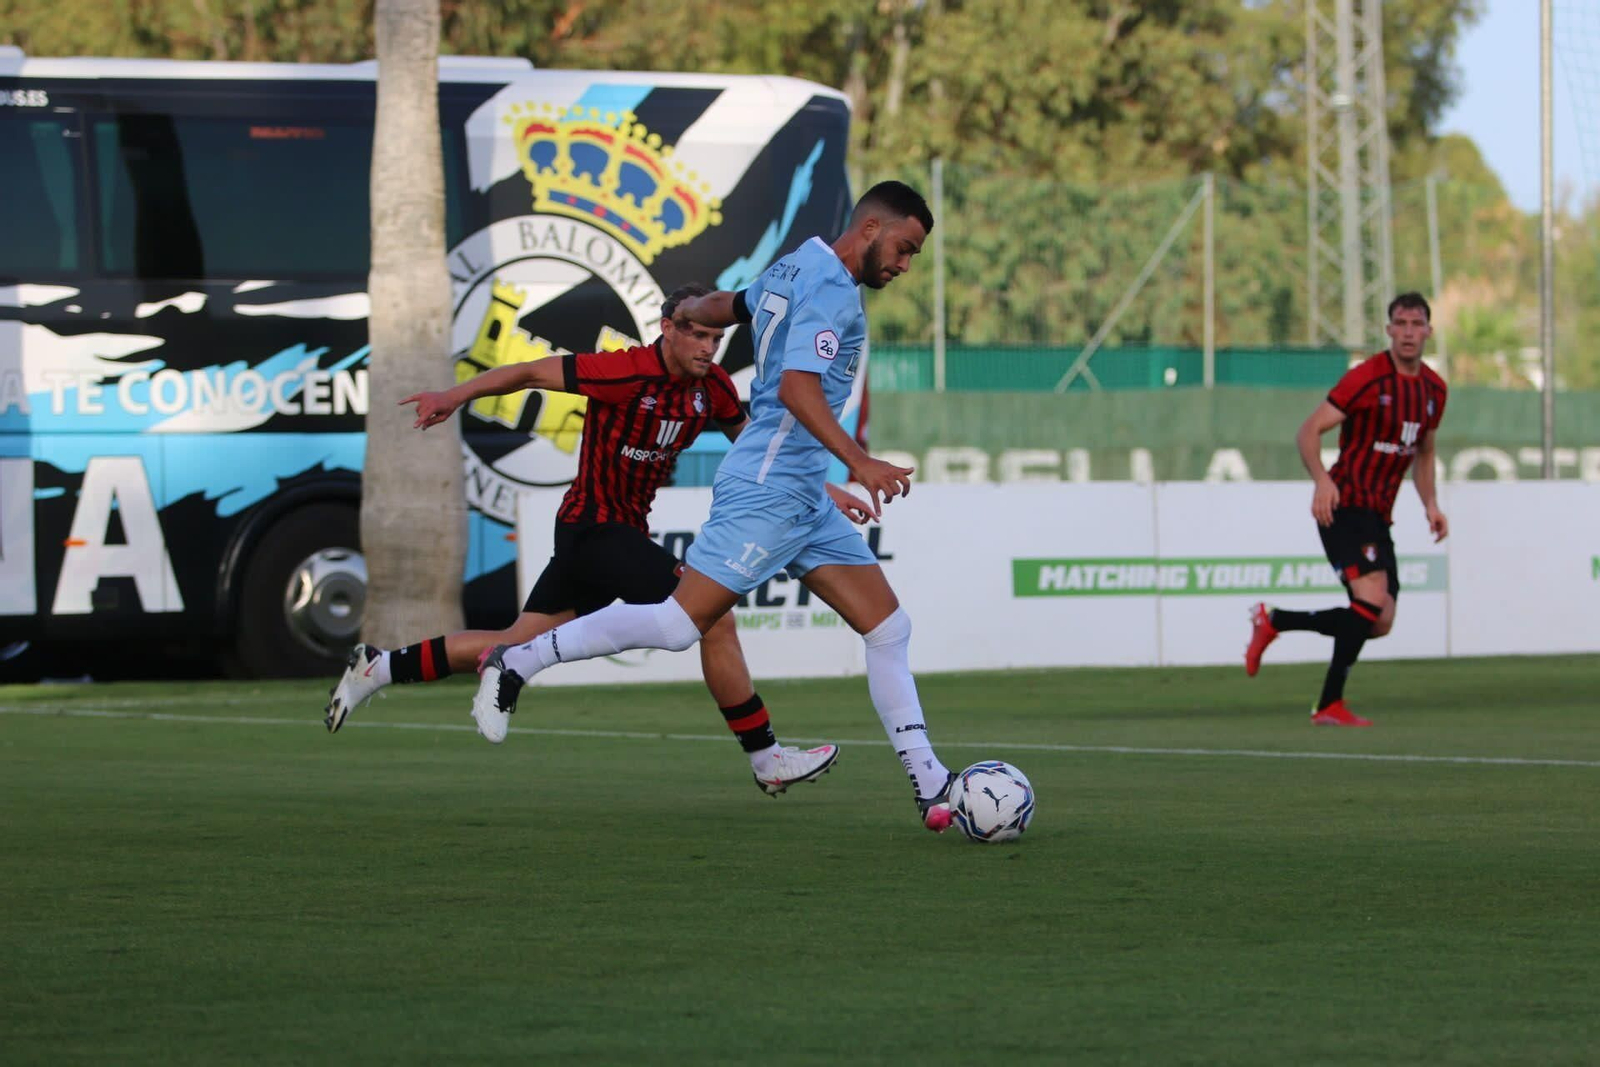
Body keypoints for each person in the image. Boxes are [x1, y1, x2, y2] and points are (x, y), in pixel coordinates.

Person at [470, 181, 961, 832]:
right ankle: (519, 658)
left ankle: (931, 785)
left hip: (800, 494)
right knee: (679, 626)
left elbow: (726, 305)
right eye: (904, 247)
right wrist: (859, 461)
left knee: (888, 629)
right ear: (870, 227)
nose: (904, 264)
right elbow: (794, 387)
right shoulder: (833, 291)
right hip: (767, 489)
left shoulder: (797, 261)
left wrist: (697, 304)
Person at [325, 284, 866, 796]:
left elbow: (757, 451)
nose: (708, 348)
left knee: (512, 639)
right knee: (712, 615)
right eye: (698, 336)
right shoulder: (623, 370)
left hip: (613, 534)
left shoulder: (713, 388)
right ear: (668, 329)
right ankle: (766, 757)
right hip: (591, 528)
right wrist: (456, 394)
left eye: (716, 338)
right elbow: (531, 371)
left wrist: (828, 488)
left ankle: (378, 667)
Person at [1244, 292, 1449, 725]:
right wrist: (1322, 479)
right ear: (1389, 330)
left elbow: (1424, 453)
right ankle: (1324, 697)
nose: (1409, 332)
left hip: (1379, 513)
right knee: (1372, 599)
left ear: (1429, 331)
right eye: (1401, 323)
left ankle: (1284, 634)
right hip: (1344, 503)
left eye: (1417, 324)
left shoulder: (1434, 391)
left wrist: (1430, 503)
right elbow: (1308, 431)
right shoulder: (1367, 378)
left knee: (1379, 620)